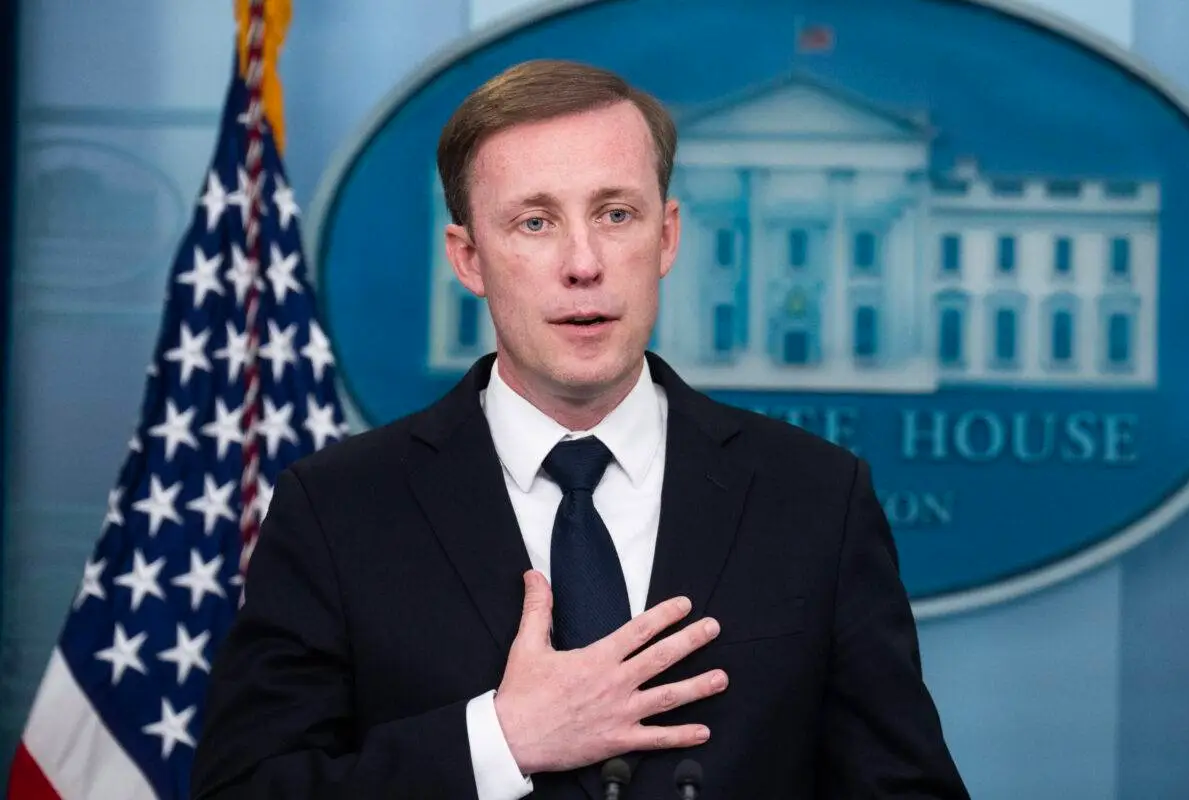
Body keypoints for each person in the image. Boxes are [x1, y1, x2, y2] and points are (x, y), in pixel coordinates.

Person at [191, 59, 970, 799]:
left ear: (665, 238)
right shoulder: (339, 509)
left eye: (615, 214)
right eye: (535, 222)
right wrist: (502, 739)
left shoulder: (815, 498)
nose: (584, 263)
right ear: (469, 259)